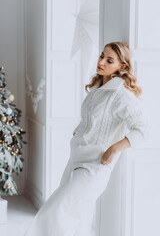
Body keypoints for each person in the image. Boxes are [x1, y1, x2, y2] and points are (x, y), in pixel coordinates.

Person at [24, 42, 149, 236]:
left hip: (95, 167)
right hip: (75, 159)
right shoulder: (98, 88)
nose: (101, 62)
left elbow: (143, 130)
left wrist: (114, 148)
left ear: (122, 67)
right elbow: (93, 119)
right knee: (78, 219)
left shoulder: (122, 95)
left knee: (55, 212)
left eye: (109, 60)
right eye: (101, 56)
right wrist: (79, 131)